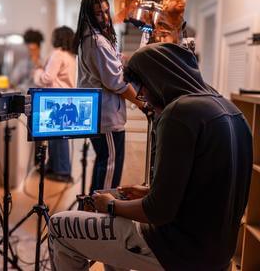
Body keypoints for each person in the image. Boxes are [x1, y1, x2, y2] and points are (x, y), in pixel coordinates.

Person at [48, 42, 252, 271]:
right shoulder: (232, 111)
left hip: (178, 251)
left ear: (157, 78)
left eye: (141, 85)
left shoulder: (179, 113)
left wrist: (112, 206)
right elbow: (205, 191)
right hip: (218, 253)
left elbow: (158, 212)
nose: (141, 94)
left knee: (59, 225)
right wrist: (148, 192)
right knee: (114, 210)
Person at [74, 0, 146, 193]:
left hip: (99, 116)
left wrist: (135, 57)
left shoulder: (93, 39)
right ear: (88, 15)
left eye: (106, 11)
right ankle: (100, 215)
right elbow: (117, 83)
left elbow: (115, 60)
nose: (105, 17)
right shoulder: (96, 42)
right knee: (109, 170)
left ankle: (90, 210)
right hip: (105, 118)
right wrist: (143, 104)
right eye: (99, 13)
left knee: (102, 165)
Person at [33, 26, 77, 183]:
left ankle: (62, 171)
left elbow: (47, 78)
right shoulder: (71, 56)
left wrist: (37, 72)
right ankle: (54, 167)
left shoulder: (58, 54)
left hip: (56, 98)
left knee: (57, 137)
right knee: (57, 136)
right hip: (66, 98)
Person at [10, 29, 44, 93]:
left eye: (34, 50)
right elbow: (13, 82)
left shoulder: (45, 63)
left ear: (39, 48)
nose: (32, 52)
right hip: (23, 96)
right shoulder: (22, 64)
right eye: (30, 49)